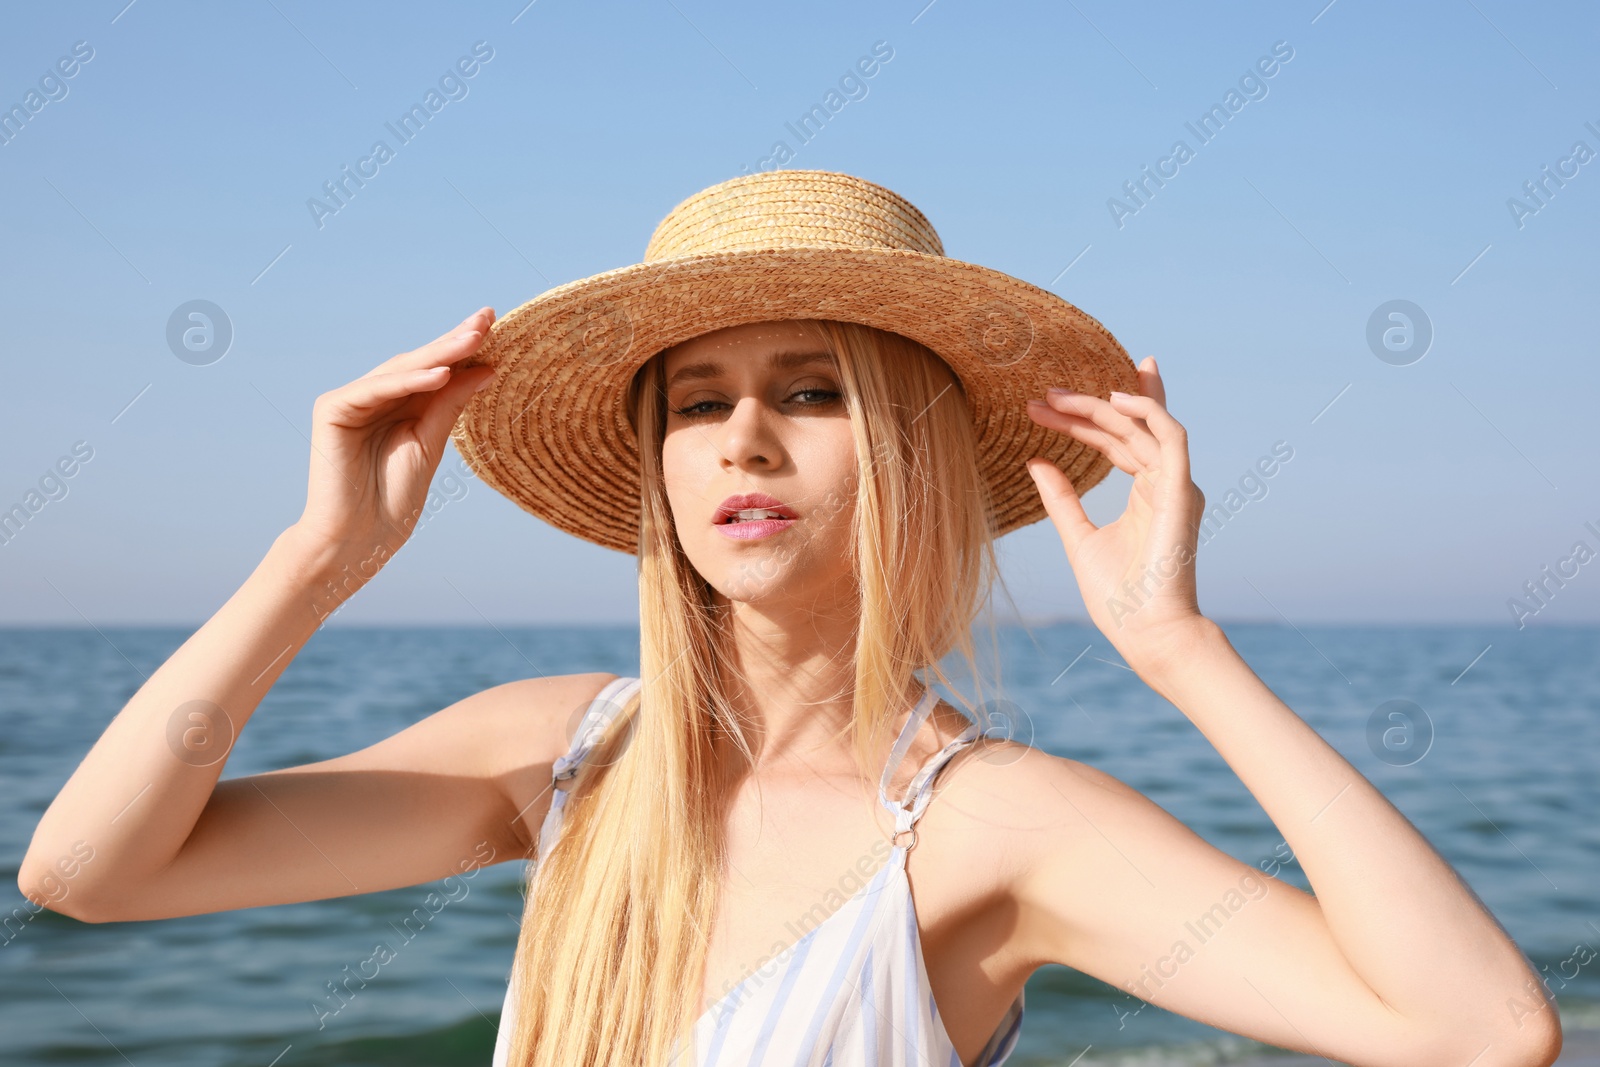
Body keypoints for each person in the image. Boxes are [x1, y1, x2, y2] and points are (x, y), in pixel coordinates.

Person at [18, 171, 1561, 1067]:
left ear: (905, 455)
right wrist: (316, 560)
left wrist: (1181, 653)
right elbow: (88, 874)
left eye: (810, 393)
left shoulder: (995, 831)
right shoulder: (558, 757)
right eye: (699, 405)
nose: (743, 442)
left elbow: (1484, 1034)